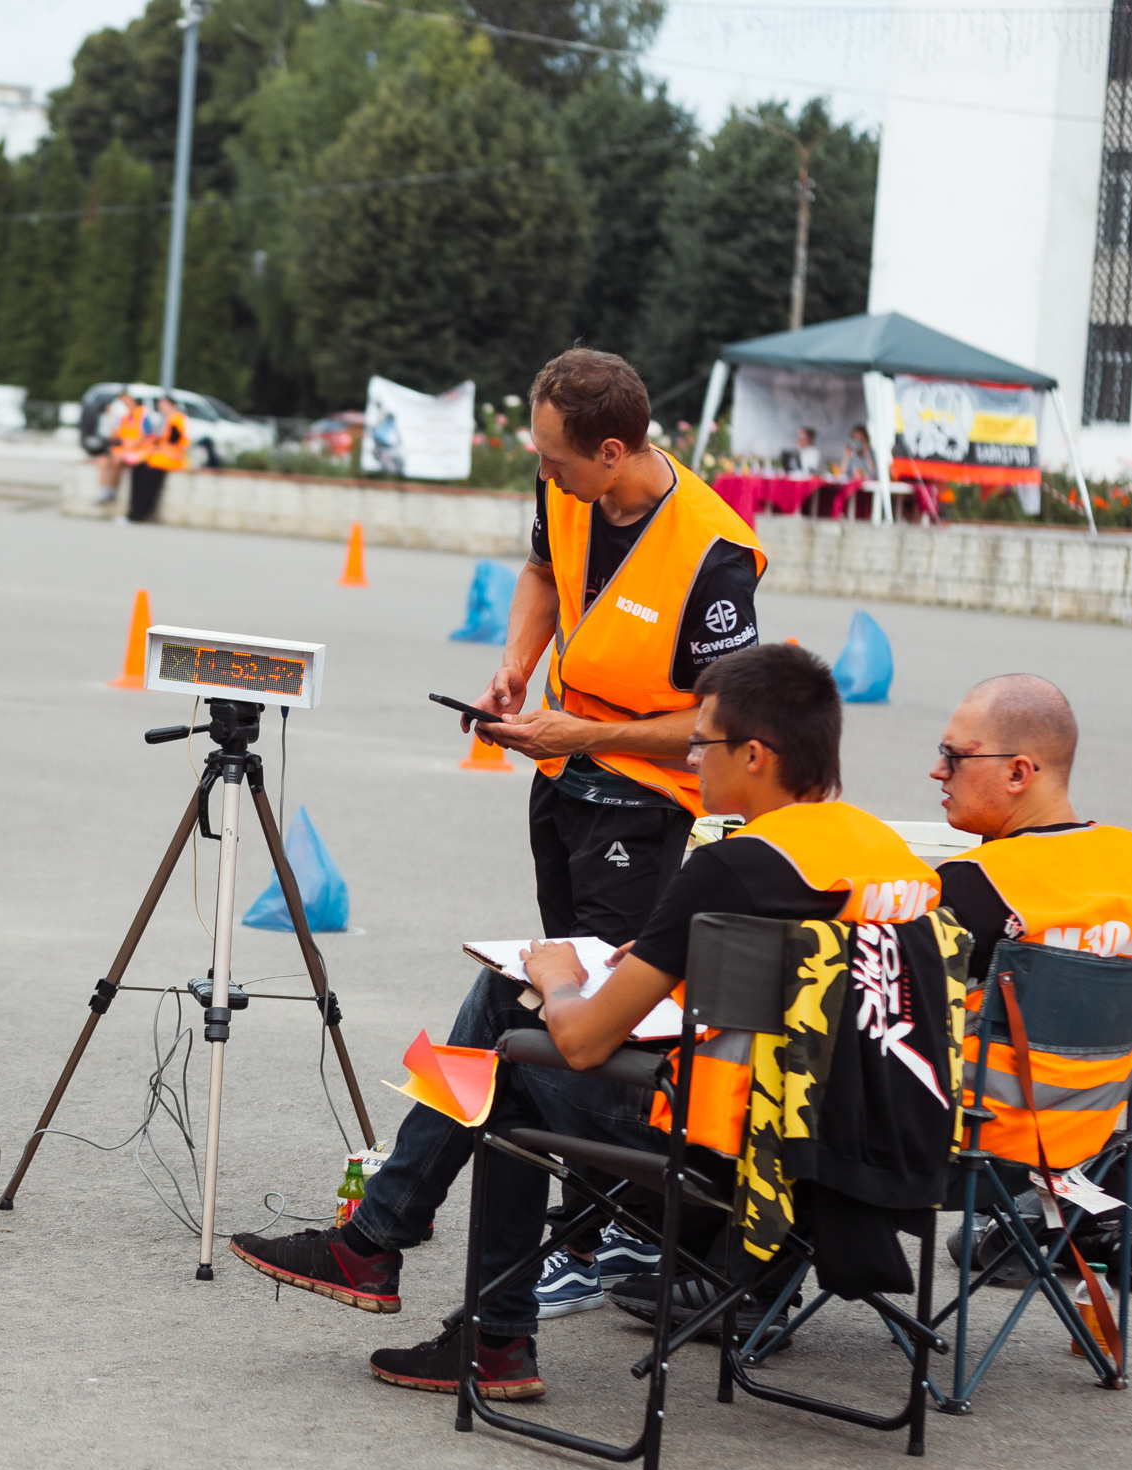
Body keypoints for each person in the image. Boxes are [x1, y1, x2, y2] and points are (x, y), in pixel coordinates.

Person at [229, 347, 765, 1372]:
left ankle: (461, 1250)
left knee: (550, 1025)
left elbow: (721, 721)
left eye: (558, 459)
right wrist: (520, 663)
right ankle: (432, 1269)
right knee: (525, 1011)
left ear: (613, 452)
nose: (543, 470)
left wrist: (586, 739)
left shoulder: (713, 555)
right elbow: (540, 569)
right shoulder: (565, 486)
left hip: (641, 810)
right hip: (565, 785)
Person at [928, 674, 1132, 1183]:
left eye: (955, 755)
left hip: (964, 1156)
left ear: (1018, 772)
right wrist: (1098, 1058)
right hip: (1091, 1152)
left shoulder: (968, 885)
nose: (937, 770)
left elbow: (889, 1038)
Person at [125, 394, 188, 524]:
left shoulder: (176, 419)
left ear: (170, 405)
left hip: (169, 458)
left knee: (147, 478)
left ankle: (141, 512)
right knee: (139, 468)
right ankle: (135, 511)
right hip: (159, 457)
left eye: (163, 403)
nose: (160, 406)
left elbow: (174, 441)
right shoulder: (168, 419)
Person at [94, 391, 141, 506]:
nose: (125, 403)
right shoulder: (124, 417)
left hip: (137, 451)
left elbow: (145, 437)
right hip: (122, 450)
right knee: (102, 461)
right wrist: (110, 417)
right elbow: (114, 435)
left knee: (116, 461)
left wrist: (129, 446)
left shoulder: (142, 415)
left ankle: (112, 491)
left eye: (127, 399)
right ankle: (105, 491)